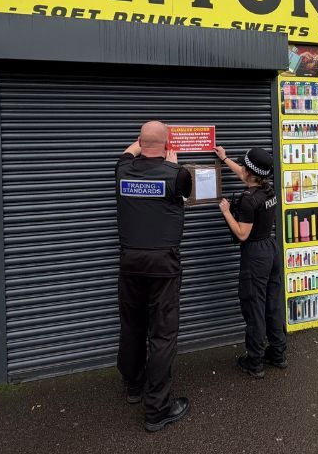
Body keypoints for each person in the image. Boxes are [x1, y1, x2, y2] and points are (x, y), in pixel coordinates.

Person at [116, 121, 192, 432]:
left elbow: (127, 152)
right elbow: (188, 192)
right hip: (163, 264)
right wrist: (171, 163)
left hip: (130, 261)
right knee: (162, 334)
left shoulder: (122, 170)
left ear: (140, 142)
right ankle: (157, 409)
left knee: (132, 325)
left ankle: (134, 386)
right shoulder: (178, 175)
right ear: (167, 144)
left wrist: (142, 144)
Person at [215, 145, 287, 378]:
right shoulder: (268, 190)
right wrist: (225, 159)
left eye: (243, 167)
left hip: (255, 254)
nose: (241, 170)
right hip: (271, 249)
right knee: (272, 304)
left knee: (254, 306)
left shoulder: (248, 200)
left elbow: (242, 234)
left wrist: (226, 211)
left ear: (249, 172)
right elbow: (245, 174)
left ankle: (254, 361)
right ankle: (277, 353)